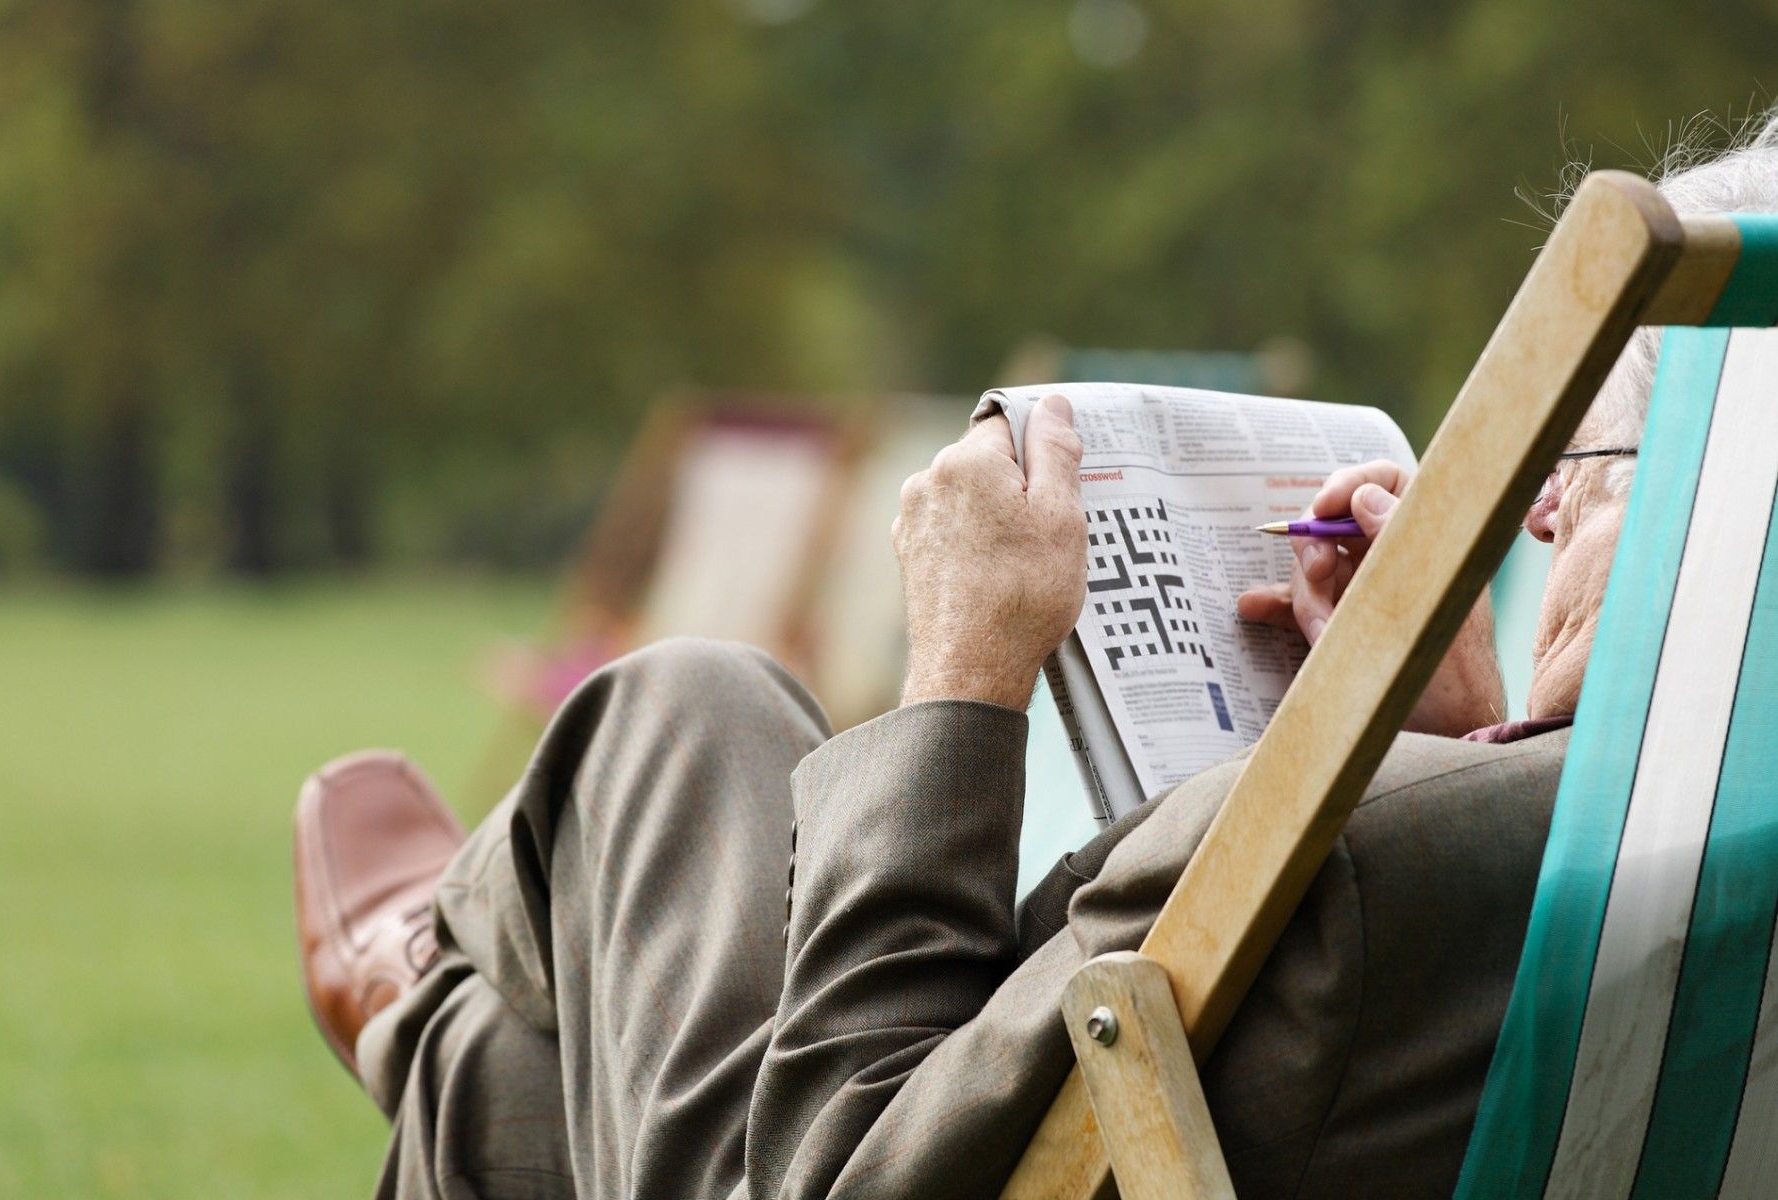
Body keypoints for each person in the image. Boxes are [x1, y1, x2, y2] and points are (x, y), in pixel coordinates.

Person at [292, 128, 1778, 1199]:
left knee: (684, 711)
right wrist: (1452, 738)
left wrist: (964, 676)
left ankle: (428, 989)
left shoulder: (1348, 866)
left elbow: (835, 1161)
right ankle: (444, 1001)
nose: (1538, 509)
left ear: (1706, 506)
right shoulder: (1653, 870)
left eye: (1581, 462)